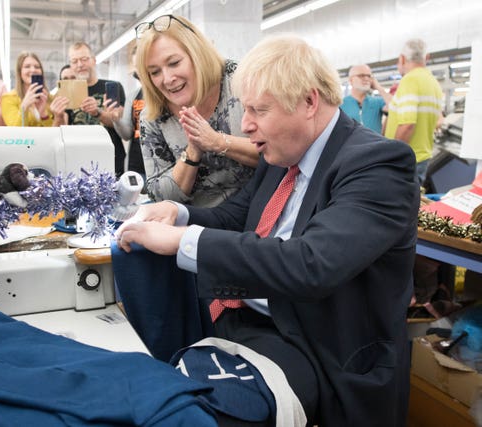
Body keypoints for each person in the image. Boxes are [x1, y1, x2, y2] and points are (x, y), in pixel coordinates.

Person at [116, 34, 419, 426]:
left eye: (259, 109)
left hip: (319, 347)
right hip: (256, 321)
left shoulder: (377, 164)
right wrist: (177, 214)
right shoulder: (282, 155)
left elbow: (311, 264)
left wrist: (184, 240)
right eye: (246, 108)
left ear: (309, 102)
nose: (245, 125)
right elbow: (232, 219)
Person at [135, 15, 257, 208]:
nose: (167, 79)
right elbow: (159, 195)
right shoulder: (153, 115)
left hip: (258, 219)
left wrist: (217, 142)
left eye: (174, 63)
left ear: (197, 54)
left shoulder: (241, 80)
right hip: (193, 229)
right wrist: (192, 152)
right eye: (155, 72)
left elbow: (281, 153)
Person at [385, 38, 443, 185]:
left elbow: (407, 124)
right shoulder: (433, 83)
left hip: (406, 160)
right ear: (427, 57)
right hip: (422, 156)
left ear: (402, 58)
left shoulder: (410, 80)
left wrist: (391, 157)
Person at [67, 41, 127, 176]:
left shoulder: (113, 87)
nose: (80, 65)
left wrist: (97, 113)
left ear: (93, 61)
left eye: (84, 59)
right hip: (79, 162)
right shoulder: (68, 93)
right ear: (71, 66)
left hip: (112, 159)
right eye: (74, 61)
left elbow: (119, 125)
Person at [106, 42, 146, 179]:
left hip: (161, 167)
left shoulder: (166, 94)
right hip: (136, 166)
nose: (139, 70)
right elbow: (127, 134)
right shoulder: (133, 96)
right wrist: (116, 119)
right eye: (136, 66)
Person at [1, 52, 68, 127]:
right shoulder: (9, 98)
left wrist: (43, 115)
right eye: (27, 66)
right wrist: (24, 106)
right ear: (20, 72)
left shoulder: (50, 99)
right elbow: (15, 130)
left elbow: (55, 132)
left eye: (37, 67)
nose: (33, 70)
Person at [340, 64, 391, 133]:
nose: (366, 78)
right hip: (351, 143)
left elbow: (395, 107)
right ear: (351, 80)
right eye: (361, 75)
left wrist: (378, 87)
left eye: (369, 76)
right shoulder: (341, 104)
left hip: (375, 143)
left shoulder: (378, 102)